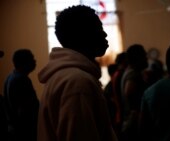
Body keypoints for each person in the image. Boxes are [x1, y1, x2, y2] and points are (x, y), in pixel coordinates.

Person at [37, 5, 117, 141]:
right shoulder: (77, 82)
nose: (104, 34)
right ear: (81, 35)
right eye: (98, 28)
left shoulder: (67, 76)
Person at [4, 49, 39, 141]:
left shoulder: (9, 77)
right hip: (24, 132)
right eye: (32, 58)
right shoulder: (22, 80)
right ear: (24, 62)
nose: (35, 61)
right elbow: (25, 111)